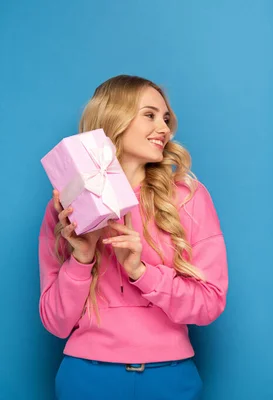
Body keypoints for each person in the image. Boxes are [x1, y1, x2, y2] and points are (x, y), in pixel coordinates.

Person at [38, 75, 228, 400]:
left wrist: (141, 271)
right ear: (115, 118)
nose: (165, 129)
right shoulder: (67, 206)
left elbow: (210, 303)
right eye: (150, 115)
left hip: (171, 379)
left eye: (166, 118)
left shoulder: (188, 198)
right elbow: (55, 322)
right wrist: (82, 258)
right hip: (86, 377)